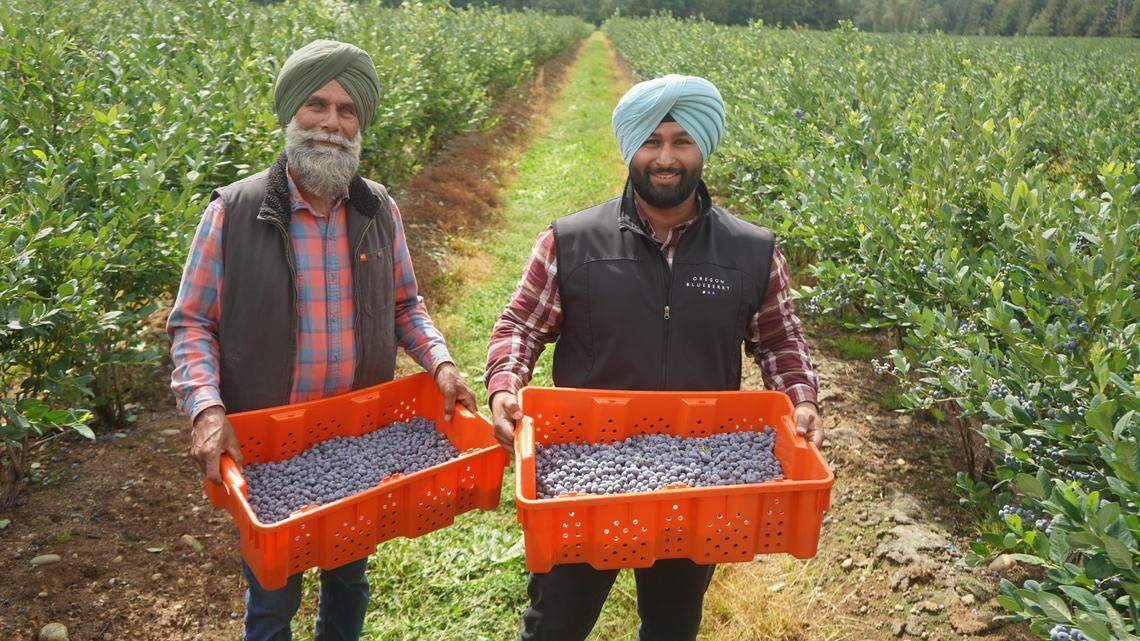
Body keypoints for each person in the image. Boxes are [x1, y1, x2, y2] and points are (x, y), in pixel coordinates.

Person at [484, 74, 822, 641]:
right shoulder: (570, 241)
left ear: (703, 150)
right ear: (631, 148)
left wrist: (802, 400)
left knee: (672, 623)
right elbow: (520, 324)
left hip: (699, 483)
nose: (666, 158)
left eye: (682, 141)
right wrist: (504, 383)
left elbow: (780, 341)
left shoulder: (751, 251)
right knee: (555, 622)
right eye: (652, 141)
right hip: (584, 475)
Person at [166, 39, 476, 641]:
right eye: (316, 105)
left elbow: (405, 304)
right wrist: (205, 409)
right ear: (291, 115)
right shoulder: (236, 212)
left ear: (360, 125)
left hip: (355, 438)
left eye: (346, 110)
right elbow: (192, 323)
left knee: (349, 576)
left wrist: (439, 362)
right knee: (273, 594)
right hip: (272, 445)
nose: (331, 123)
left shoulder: (378, 209)